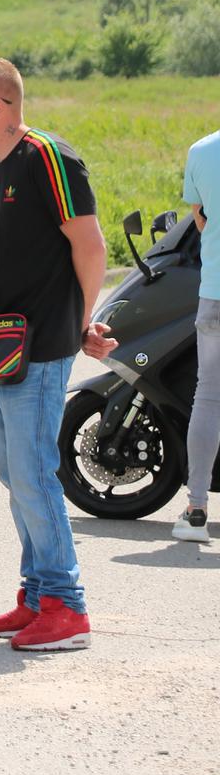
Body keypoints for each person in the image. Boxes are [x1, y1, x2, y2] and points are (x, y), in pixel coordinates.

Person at [0, 57, 115, 652]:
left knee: (34, 473)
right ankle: (36, 595)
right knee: (13, 474)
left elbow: (89, 247)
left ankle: (66, 607)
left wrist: (78, 324)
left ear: (0, 104)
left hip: (43, 343)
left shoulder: (50, 156)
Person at [176, 127, 220, 543]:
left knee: (209, 396)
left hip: (215, 295)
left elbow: (200, 218)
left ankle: (196, 510)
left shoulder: (202, 150)